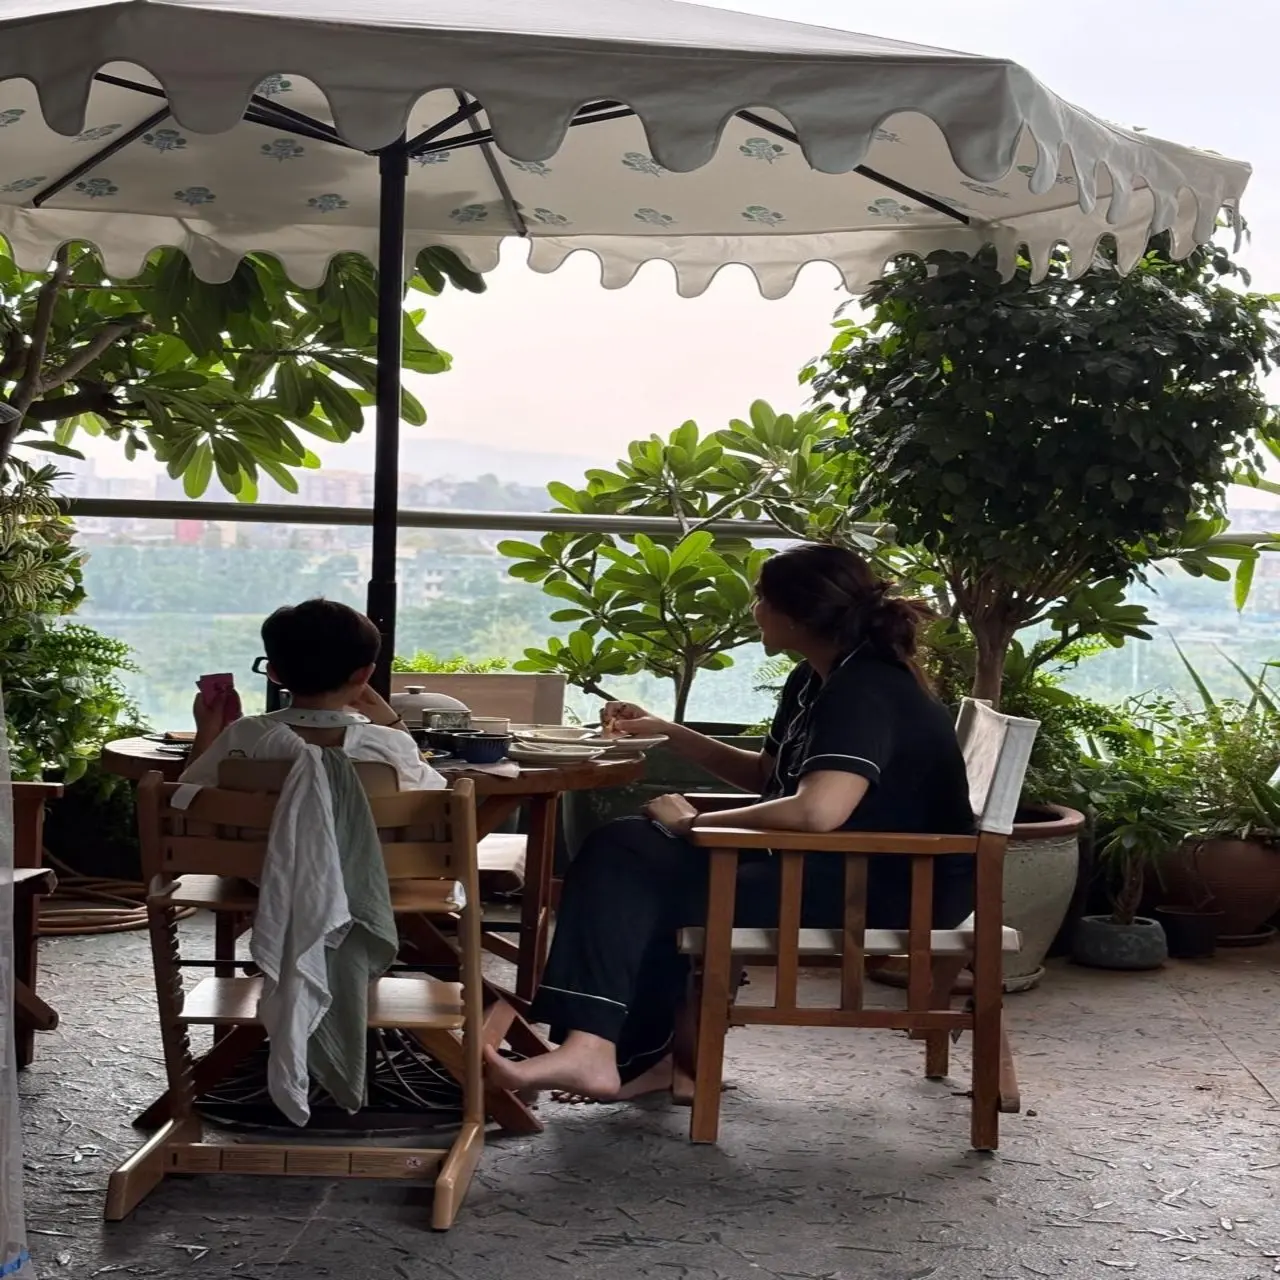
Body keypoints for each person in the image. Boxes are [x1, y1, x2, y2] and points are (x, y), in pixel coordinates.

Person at [485, 543, 974, 1104]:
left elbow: (818, 810)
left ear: (795, 614)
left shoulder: (865, 690)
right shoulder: (817, 679)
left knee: (639, 870)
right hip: (837, 868)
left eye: (760, 599)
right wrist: (667, 730)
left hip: (885, 887)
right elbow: (768, 776)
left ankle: (610, 1052)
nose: (753, 612)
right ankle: (623, 1053)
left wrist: (696, 827)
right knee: (626, 849)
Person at [181, 598, 444, 791]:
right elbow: (437, 796)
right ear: (364, 675)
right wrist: (390, 721)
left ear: (273, 673)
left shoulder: (246, 734)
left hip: (252, 866)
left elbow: (186, 792)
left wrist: (208, 729)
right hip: (376, 867)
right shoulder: (389, 743)